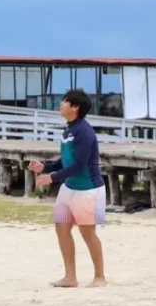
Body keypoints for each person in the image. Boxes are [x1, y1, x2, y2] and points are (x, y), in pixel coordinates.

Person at [28, 89, 106, 288]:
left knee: (87, 233)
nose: (60, 104)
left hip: (87, 189)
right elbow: (65, 161)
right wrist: (45, 166)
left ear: (75, 107)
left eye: (64, 101)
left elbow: (79, 165)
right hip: (69, 187)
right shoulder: (68, 130)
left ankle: (99, 277)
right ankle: (70, 277)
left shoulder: (84, 132)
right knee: (61, 228)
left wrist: (51, 178)